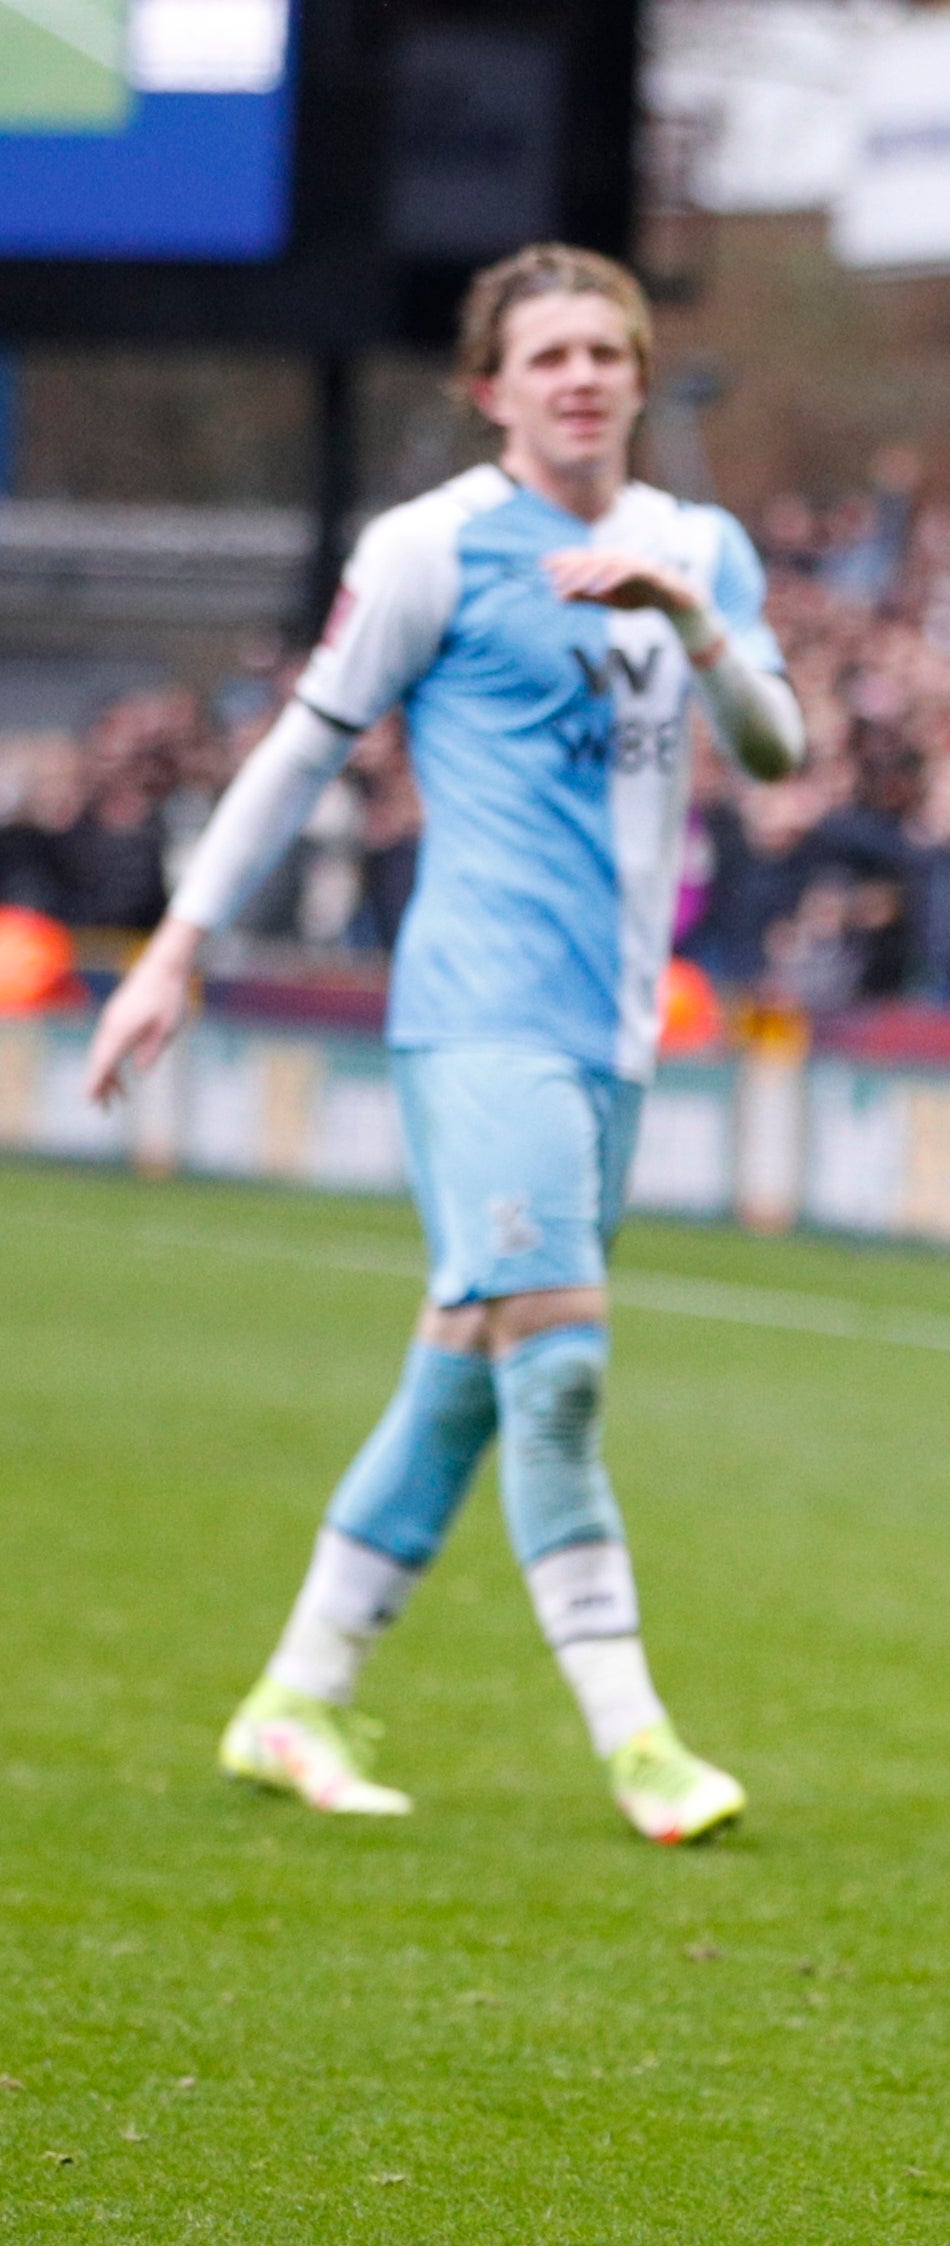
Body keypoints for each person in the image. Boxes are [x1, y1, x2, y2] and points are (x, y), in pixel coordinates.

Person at [78, 244, 804, 1841]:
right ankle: (639, 1744)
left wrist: (685, 611)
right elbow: (296, 753)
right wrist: (178, 950)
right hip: (478, 1016)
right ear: (492, 389)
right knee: (558, 1372)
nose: (584, 378)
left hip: (613, 1032)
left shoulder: (699, 545)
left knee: (465, 1379)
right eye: (548, 356)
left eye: (607, 349)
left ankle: (293, 1698)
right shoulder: (432, 547)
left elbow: (776, 742)